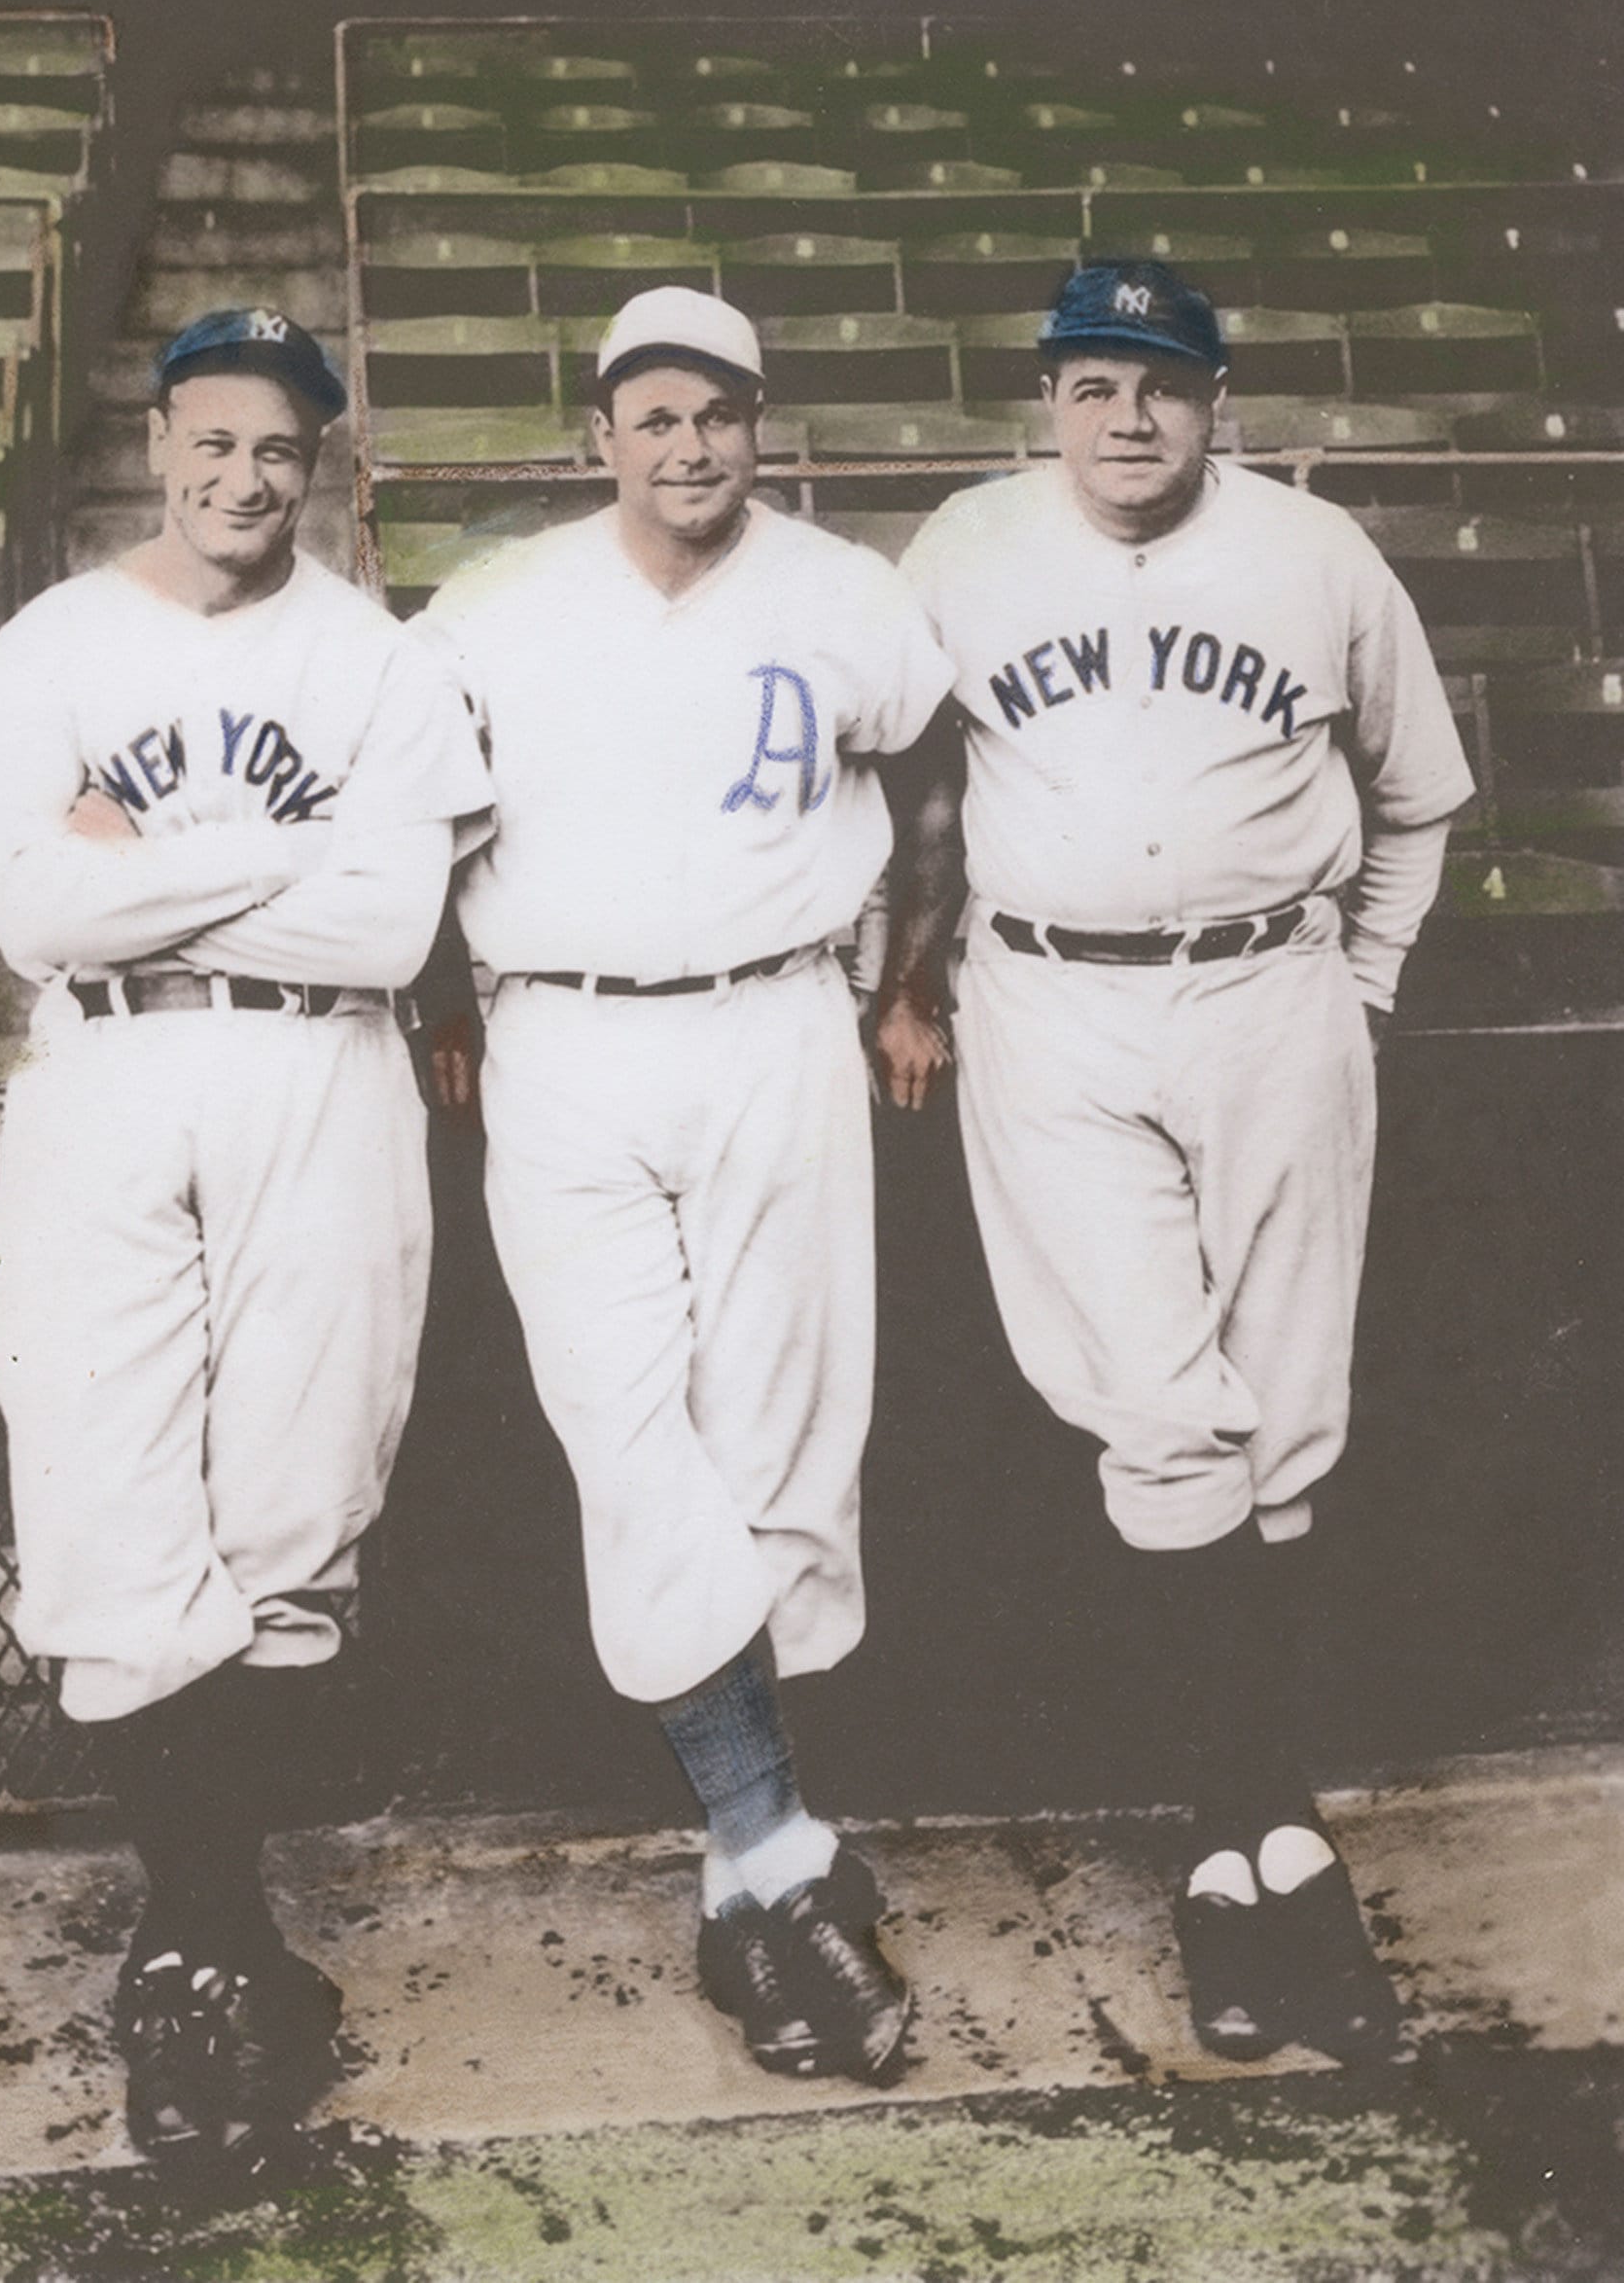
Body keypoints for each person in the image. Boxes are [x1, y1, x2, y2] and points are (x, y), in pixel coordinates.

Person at [878, 260, 1475, 2066]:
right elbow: (902, 794)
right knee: (1163, 1411)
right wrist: (904, 981)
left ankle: (1231, 1862)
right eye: (1092, 379)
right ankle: (1273, 1829)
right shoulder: (962, 551)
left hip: (1276, 993)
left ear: (1220, 401)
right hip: (1051, 1006)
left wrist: (1356, 986)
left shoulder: (1316, 553)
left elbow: (1422, 793)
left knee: (1283, 1423)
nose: (1125, 415)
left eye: (1163, 383)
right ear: (1043, 398)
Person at [0, 305, 492, 2171]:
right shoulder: (51, 645)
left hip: (318, 1082)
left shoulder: (376, 658)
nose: (243, 479)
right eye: (215, 439)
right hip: (101, 1084)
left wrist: (147, 866)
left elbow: (390, 931)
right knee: (109, 1514)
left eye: (281, 450)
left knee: (289, 1518)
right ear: (162, 437)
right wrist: (280, 853)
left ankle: (207, 1949)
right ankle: (209, 1949)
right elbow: (31, 914)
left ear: (318, 463)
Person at [419, 287, 955, 2085]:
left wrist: (911, 979)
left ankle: (748, 1902)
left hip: (780, 1030)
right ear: (601, 438)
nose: (689, 445)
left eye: (719, 411)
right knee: (632, 1442)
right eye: (653, 417)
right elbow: (408, 817)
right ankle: (796, 1861)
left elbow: (938, 771)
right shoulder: (497, 605)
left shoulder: (845, 593)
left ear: (760, 423)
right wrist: (443, 1014)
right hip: (565, 1041)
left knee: (787, 1459)